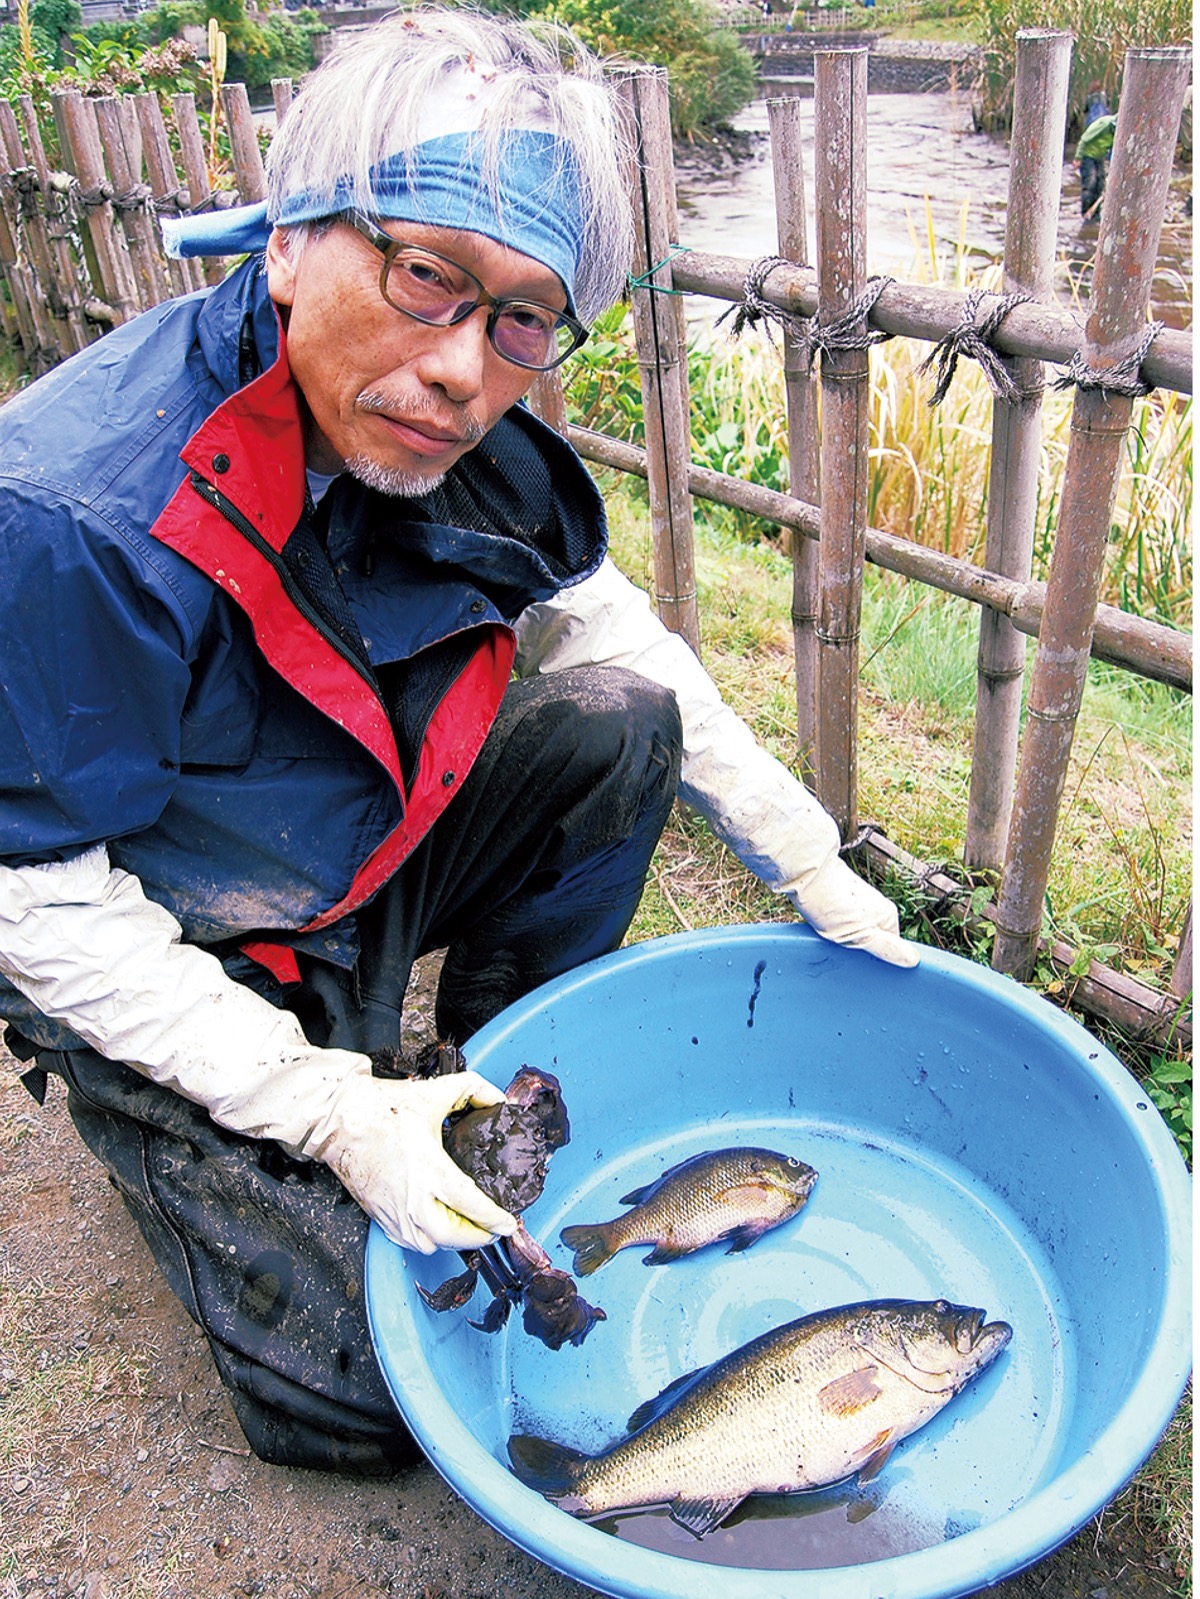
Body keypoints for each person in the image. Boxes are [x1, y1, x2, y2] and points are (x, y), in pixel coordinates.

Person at [0, 7, 915, 1476]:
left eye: (522, 319)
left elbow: (619, 641)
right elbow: (35, 893)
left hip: (348, 855)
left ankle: (485, 1083)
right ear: (288, 242)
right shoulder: (76, 518)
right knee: (373, 1398)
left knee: (624, 725)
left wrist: (807, 856)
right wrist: (325, 1109)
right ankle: (209, 1123)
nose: (461, 371)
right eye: (426, 275)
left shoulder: (467, 445)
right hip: (163, 931)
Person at [1075, 110, 1116, 221]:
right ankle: (1085, 212)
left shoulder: (1119, 131)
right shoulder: (1105, 124)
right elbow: (1084, 139)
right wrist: (1078, 158)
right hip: (1087, 155)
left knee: (1100, 184)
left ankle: (1095, 214)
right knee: (1090, 183)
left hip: (1099, 157)